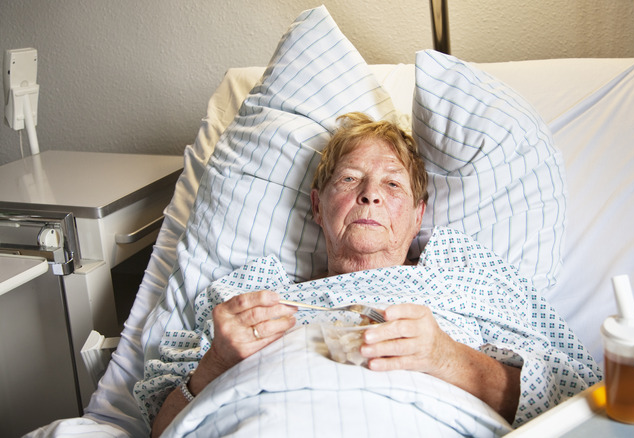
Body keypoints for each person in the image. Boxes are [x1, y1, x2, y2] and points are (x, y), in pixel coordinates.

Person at [138, 112, 601, 437]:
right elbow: (161, 429)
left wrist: (447, 359)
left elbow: (580, 401)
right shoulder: (249, 297)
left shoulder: (468, 276)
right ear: (318, 207)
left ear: (418, 216)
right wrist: (216, 364)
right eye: (349, 178)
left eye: (392, 184)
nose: (370, 195)